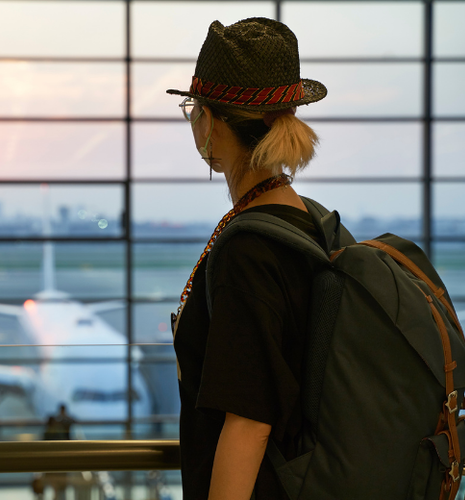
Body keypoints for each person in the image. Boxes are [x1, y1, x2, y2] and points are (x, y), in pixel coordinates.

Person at [166, 18, 327, 500]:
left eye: (192, 107)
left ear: (213, 122)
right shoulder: (306, 222)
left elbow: (248, 422)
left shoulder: (249, 250)